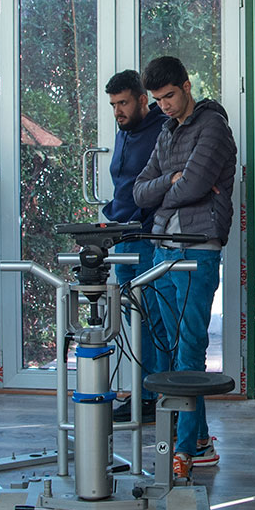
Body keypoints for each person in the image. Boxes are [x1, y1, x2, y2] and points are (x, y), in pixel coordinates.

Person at [129, 56, 236, 473]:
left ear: (187, 86)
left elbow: (193, 185)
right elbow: (140, 192)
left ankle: (186, 447)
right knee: (170, 347)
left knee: (190, 347)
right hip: (163, 247)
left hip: (197, 248)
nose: (164, 106)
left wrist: (174, 188)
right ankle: (201, 439)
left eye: (169, 96)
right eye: (158, 100)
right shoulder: (166, 130)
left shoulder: (213, 126)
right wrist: (172, 182)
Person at [103, 69, 171, 421]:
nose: (118, 111)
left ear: (143, 100)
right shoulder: (123, 133)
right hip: (122, 236)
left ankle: (162, 397)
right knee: (134, 318)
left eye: (124, 103)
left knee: (154, 319)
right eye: (114, 105)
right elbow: (124, 187)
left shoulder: (163, 129)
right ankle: (144, 395)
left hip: (148, 238)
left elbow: (165, 185)